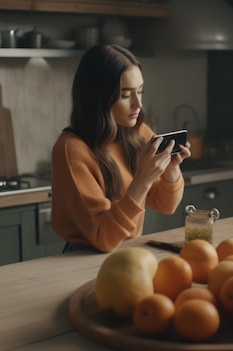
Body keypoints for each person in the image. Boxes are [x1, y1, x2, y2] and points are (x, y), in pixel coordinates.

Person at [51, 44, 191, 253]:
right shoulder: (71, 151)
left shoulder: (137, 132)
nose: (138, 104)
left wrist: (171, 169)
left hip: (128, 253)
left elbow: (166, 205)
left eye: (140, 92)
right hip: (82, 259)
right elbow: (104, 238)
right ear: (97, 98)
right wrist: (142, 179)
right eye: (126, 95)